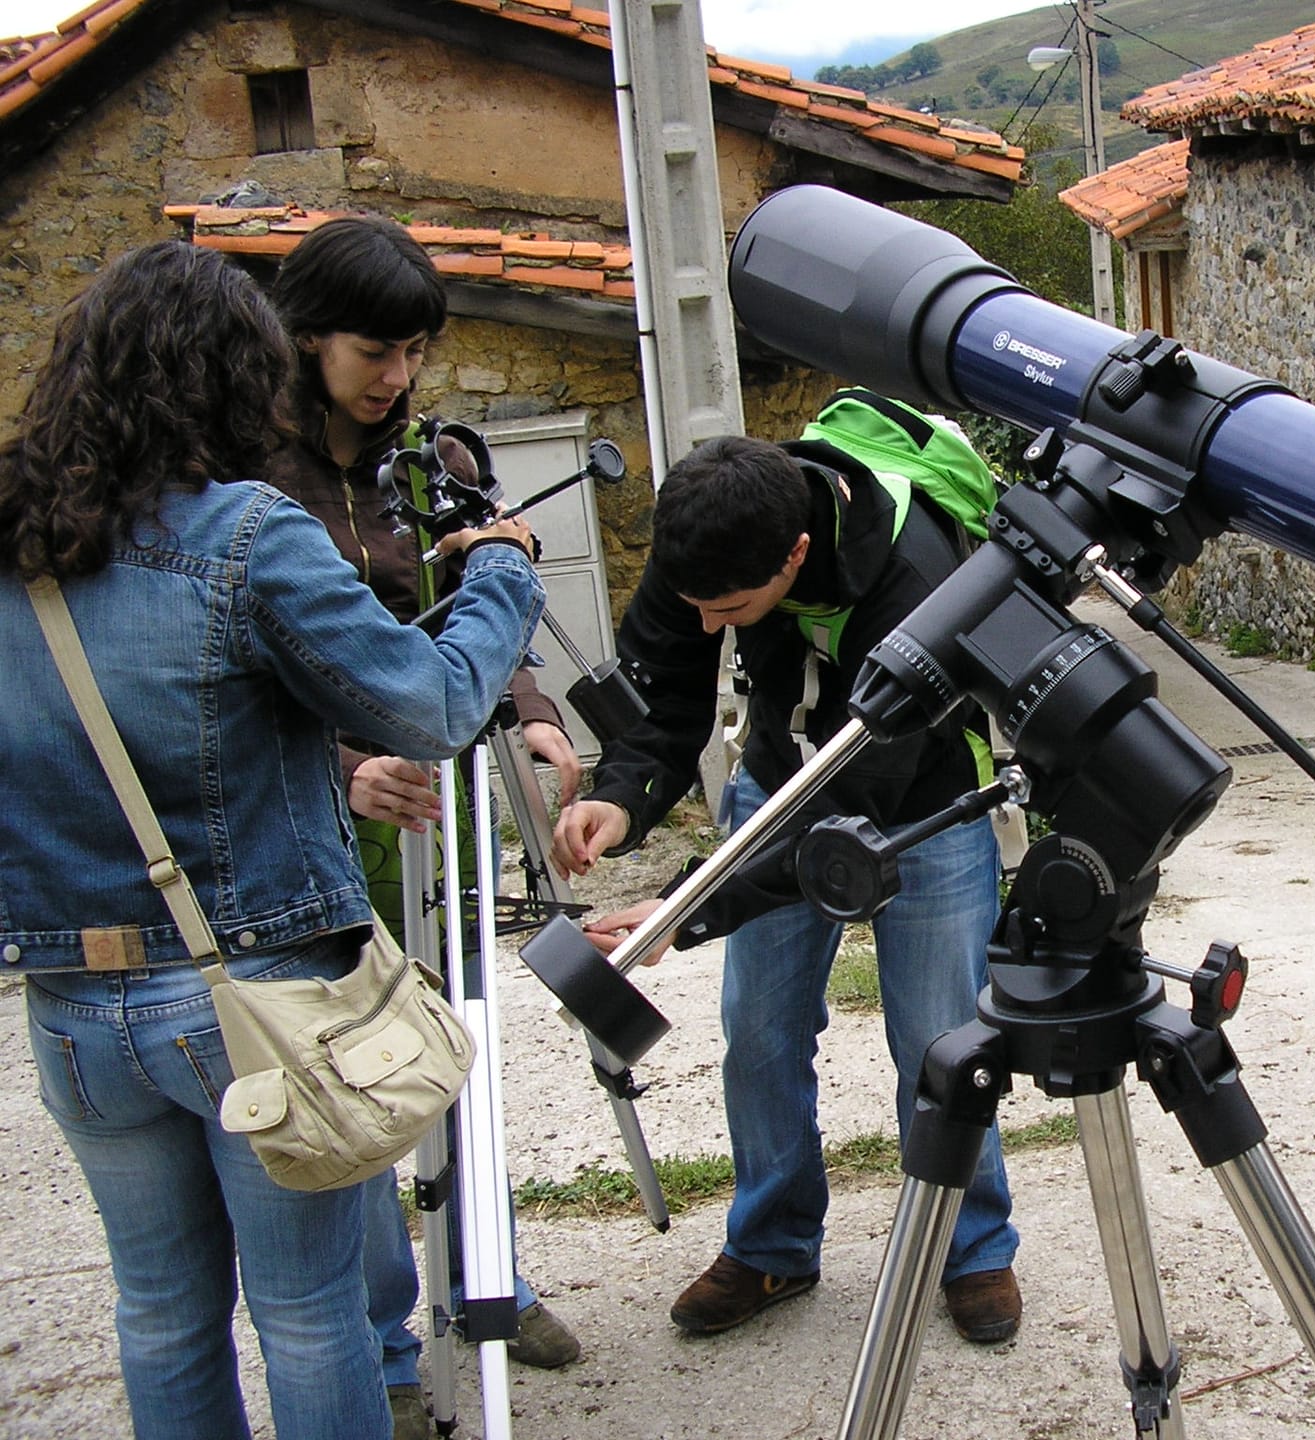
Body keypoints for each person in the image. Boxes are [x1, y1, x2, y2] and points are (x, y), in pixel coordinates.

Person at [0, 241, 543, 1440]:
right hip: (257, 994)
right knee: (308, 1313)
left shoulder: (15, 539)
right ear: (235, 378)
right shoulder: (246, 532)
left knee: (157, 1309)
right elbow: (435, 704)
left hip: (72, 1005)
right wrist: (503, 573)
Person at [549, 434, 1024, 1342]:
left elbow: (855, 798)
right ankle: (771, 1248)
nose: (705, 624)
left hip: (917, 800)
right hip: (779, 775)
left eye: (728, 609)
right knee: (759, 1034)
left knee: (941, 1044)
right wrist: (620, 797)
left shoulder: (912, 579)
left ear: (797, 554)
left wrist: (691, 904)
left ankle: (971, 1249)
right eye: (693, 602)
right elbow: (667, 697)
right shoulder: (707, 542)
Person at [263, 216, 582, 1429]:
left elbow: (476, 588)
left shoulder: (437, 461)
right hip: (310, 818)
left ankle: (487, 1275)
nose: (395, 376)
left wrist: (531, 705)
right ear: (306, 338)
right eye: (372, 350)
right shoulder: (246, 476)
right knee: (350, 1085)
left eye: (413, 349)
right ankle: (390, 1342)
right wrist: (344, 762)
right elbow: (241, 667)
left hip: (437, 803)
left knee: (451, 1049)